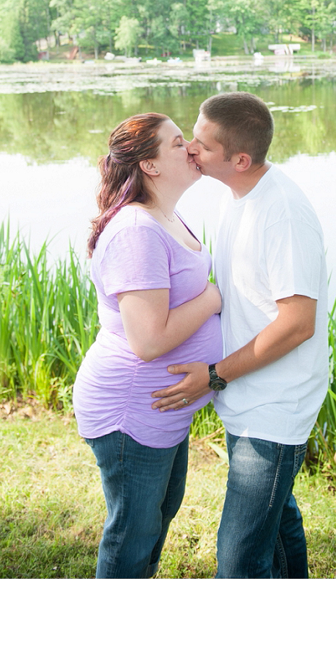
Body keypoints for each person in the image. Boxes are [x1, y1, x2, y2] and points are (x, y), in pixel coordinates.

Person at [151, 92, 329, 578]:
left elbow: (297, 324)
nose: (190, 149)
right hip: (248, 395)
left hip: (275, 405)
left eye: (202, 146)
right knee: (276, 522)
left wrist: (212, 375)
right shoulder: (241, 195)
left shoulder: (283, 213)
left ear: (240, 159)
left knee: (238, 559)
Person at [73, 112, 222, 578]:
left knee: (159, 516)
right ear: (151, 166)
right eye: (179, 143)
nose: (192, 147)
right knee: (133, 534)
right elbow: (148, 340)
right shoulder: (136, 231)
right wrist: (213, 298)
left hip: (161, 406)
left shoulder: (165, 214)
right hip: (130, 409)